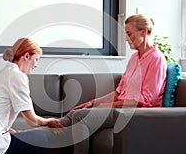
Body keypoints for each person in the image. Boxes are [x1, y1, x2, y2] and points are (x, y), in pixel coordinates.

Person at [58, 14, 168, 154]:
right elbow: (119, 92)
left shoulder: (156, 59)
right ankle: (40, 129)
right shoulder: (134, 58)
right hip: (119, 108)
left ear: (144, 32)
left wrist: (109, 106)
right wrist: (93, 102)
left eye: (129, 34)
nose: (126, 39)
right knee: (74, 113)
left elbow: (145, 100)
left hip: (137, 113)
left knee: (80, 117)